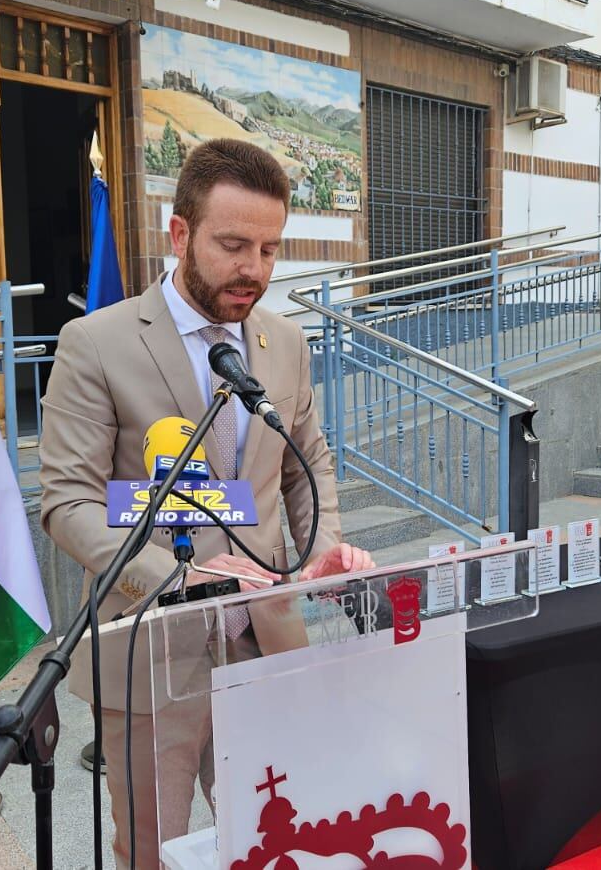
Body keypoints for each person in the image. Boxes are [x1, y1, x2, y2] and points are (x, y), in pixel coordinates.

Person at [38, 137, 375, 868]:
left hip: (267, 641)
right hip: (152, 652)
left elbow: (303, 462)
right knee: (152, 853)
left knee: (279, 840)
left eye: (269, 248)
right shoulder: (96, 343)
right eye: (232, 245)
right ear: (180, 234)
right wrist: (174, 578)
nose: (253, 269)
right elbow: (67, 501)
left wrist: (324, 551)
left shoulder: (284, 341)